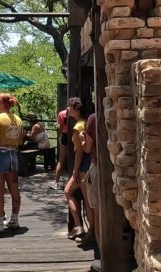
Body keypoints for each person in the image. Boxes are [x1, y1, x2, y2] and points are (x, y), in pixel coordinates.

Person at [0, 93, 24, 234]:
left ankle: (0, 223)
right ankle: (14, 220)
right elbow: (20, 141)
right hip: (13, 154)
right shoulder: (18, 119)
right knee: (14, 189)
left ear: (1, 103)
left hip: (0, 155)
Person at [64, 97, 90, 240]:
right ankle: (79, 226)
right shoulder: (83, 123)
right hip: (84, 165)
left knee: (87, 201)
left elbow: (79, 152)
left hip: (82, 167)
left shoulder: (78, 126)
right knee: (68, 192)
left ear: (76, 109)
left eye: (69, 106)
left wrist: (75, 171)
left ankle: (84, 228)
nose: (67, 109)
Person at [81, 111, 99, 251]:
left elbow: (87, 148)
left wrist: (82, 140)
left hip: (97, 167)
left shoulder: (93, 117)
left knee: (98, 212)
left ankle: (102, 253)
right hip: (118, 168)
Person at [54, 106, 71, 189]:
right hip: (75, 134)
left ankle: (56, 182)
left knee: (61, 160)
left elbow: (60, 127)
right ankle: (71, 181)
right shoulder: (75, 112)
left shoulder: (61, 113)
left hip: (65, 136)